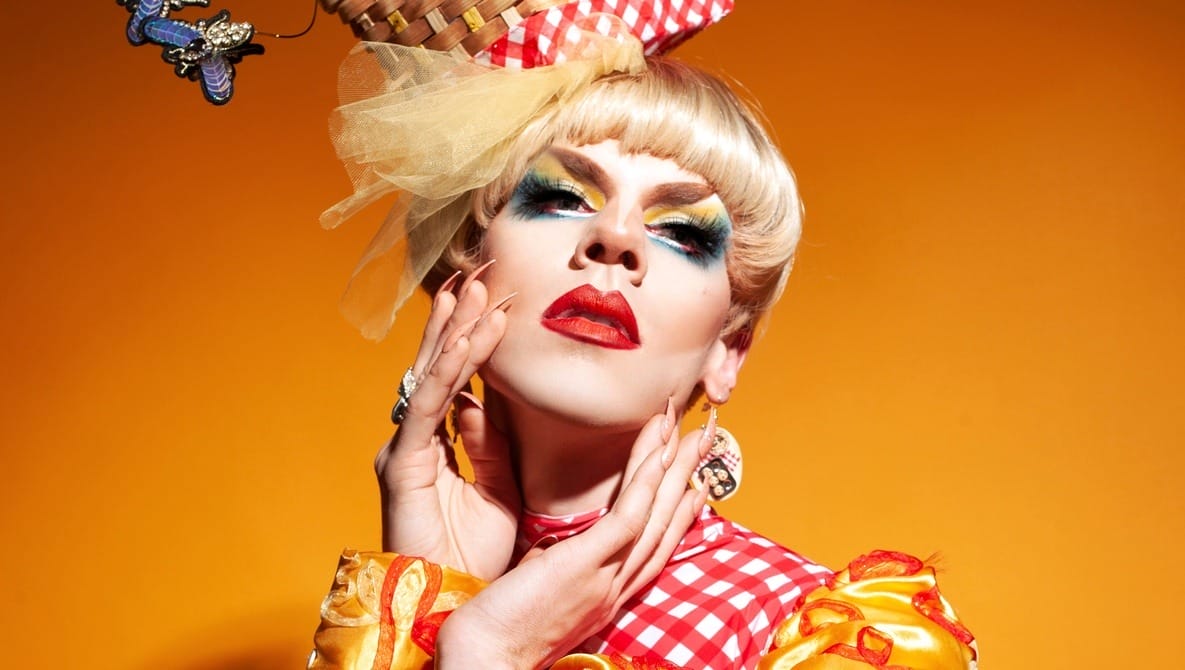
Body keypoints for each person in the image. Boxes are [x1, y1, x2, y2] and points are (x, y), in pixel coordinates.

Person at [309, 3, 977, 669]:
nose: (615, 239)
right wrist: (426, 605)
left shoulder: (834, 640)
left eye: (683, 232)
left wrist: (489, 651)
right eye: (561, 198)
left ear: (726, 351)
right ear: (460, 272)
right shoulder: (392, 605)